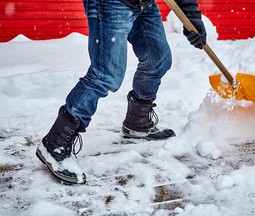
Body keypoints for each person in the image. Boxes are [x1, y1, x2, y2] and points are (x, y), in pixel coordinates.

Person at [36, 0, 207, 184]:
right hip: (111, 3)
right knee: (105, 75)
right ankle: (55, 143)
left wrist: (191, 16)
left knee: (157, 60)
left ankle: (137, 121)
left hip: (144, 3)